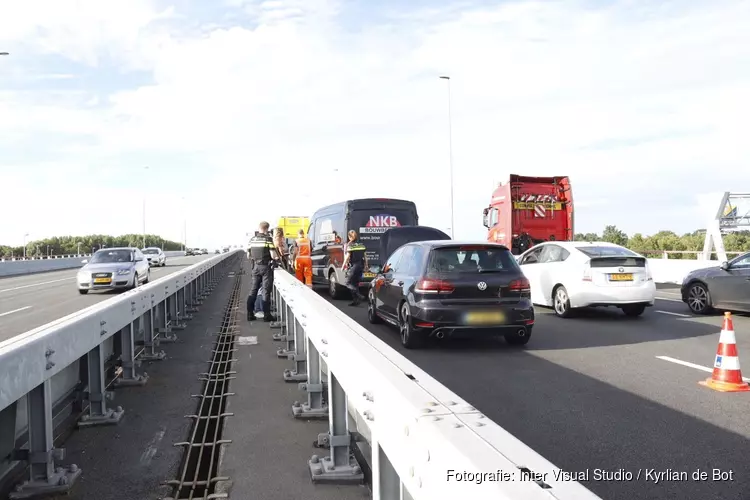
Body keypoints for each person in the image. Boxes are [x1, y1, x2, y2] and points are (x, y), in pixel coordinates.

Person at [246, 221, 279, 322]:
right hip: (265, 267)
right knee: (266, 291)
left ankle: (250, 314)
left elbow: (248, 255)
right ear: (266, 229)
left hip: (255, 267)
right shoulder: (267, 239)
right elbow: (273, 255)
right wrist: (277, 258)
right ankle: (267, 315)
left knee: (253, 290)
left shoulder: (252, 240)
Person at [340, 230, 367, 306]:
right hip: (360, 266)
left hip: (354, 266)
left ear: (350, 237)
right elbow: (365, 257)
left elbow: (347, 257)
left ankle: (359, 295)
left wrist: (343, 266)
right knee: (355, 283)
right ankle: (356, 301)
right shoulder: (361, 245)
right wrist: (366, 266)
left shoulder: (350, 246)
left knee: (347, 283)